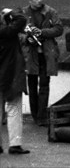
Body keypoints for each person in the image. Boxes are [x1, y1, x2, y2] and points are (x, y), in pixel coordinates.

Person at [20, 0, 63, 127]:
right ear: (29, 0)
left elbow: (59, 29)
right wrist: (27, 39)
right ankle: (35, 115)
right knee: (32, 86)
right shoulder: (23, 13)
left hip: (46, 53)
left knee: (44, 85)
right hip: (31, 54)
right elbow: (18, 33)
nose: (39, 1)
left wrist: (43, 32)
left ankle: (42, 116)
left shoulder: (50, 11)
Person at [0, 8, 30, 154]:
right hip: (11, 75)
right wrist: (9, 12)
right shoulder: (7, 32)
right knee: (14, 108)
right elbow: (22, 19)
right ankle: (15, 143)